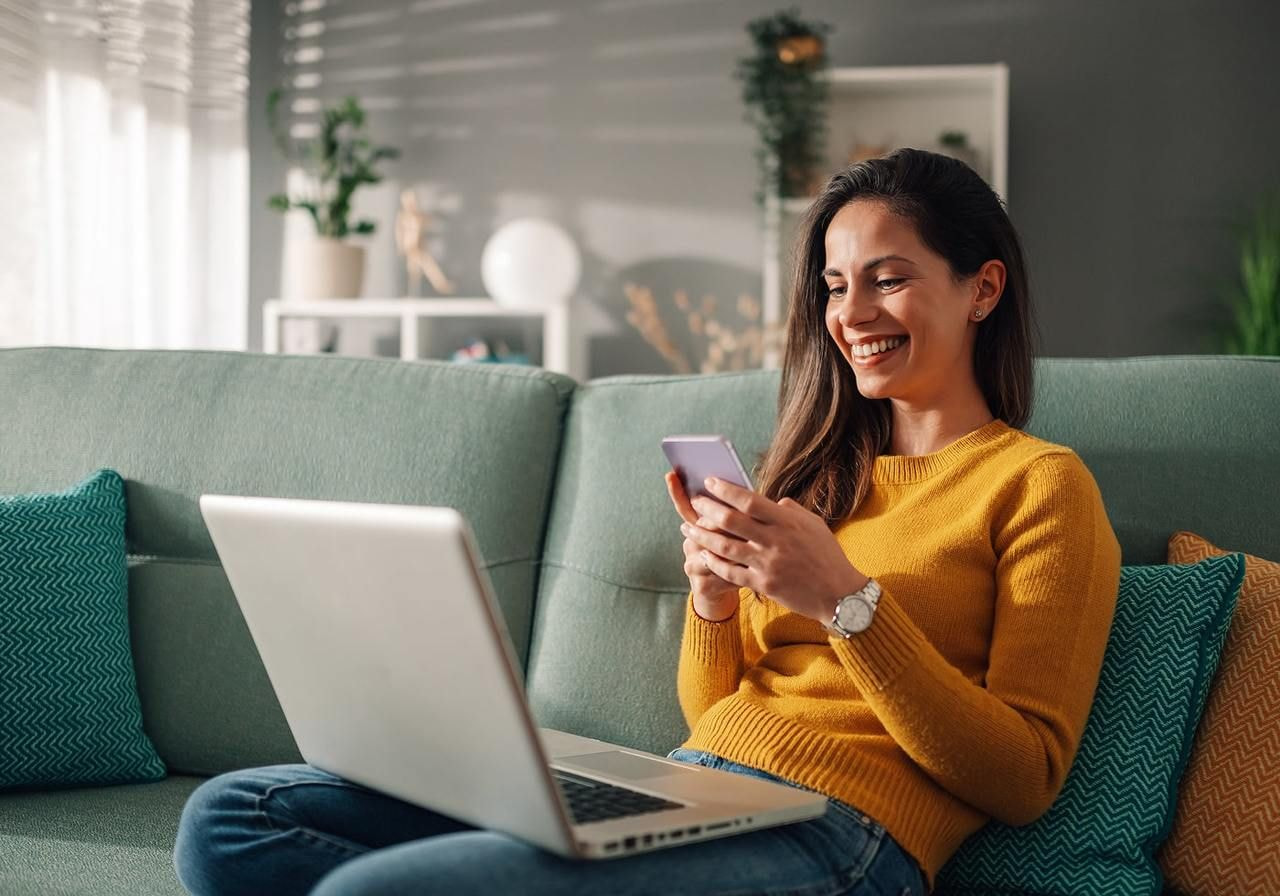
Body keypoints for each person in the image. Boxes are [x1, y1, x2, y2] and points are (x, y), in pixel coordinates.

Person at [173, 148, 1120, 896]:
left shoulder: (1038, 486)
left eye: (888, 278)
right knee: (232, 820)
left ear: (982, 290)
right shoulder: (813, 480)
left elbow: (1025, 777)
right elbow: (717, 719)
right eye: (834, 286)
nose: (851, 312)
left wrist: (850, 603)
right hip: (693, 789)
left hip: (842, 839)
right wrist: (711, 603)